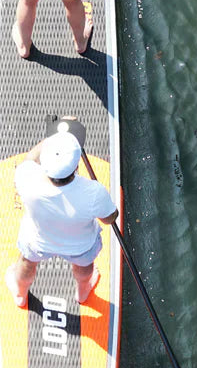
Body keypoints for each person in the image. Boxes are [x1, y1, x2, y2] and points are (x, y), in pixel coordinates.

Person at [6, 131, 119, 307]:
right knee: (84, 268)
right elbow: (110, 219)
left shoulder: (26, 176)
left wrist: (58, 132)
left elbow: (30, 158)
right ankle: (82, 293)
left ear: (45, 160)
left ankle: (20, 294)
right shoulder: (94, 193)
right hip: (80, 246)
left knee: (27, 263)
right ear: (76, 167)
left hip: (38, 242)